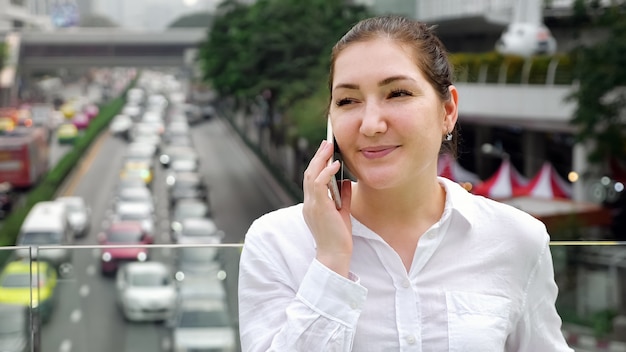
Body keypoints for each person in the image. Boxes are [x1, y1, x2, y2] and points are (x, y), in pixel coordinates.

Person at [238, 15, 573, 352]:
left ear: (448, 111)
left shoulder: (516, 239)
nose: (370, 124)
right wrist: (331, 261)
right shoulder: (277, 243)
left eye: (397, 93)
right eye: (347, 101)